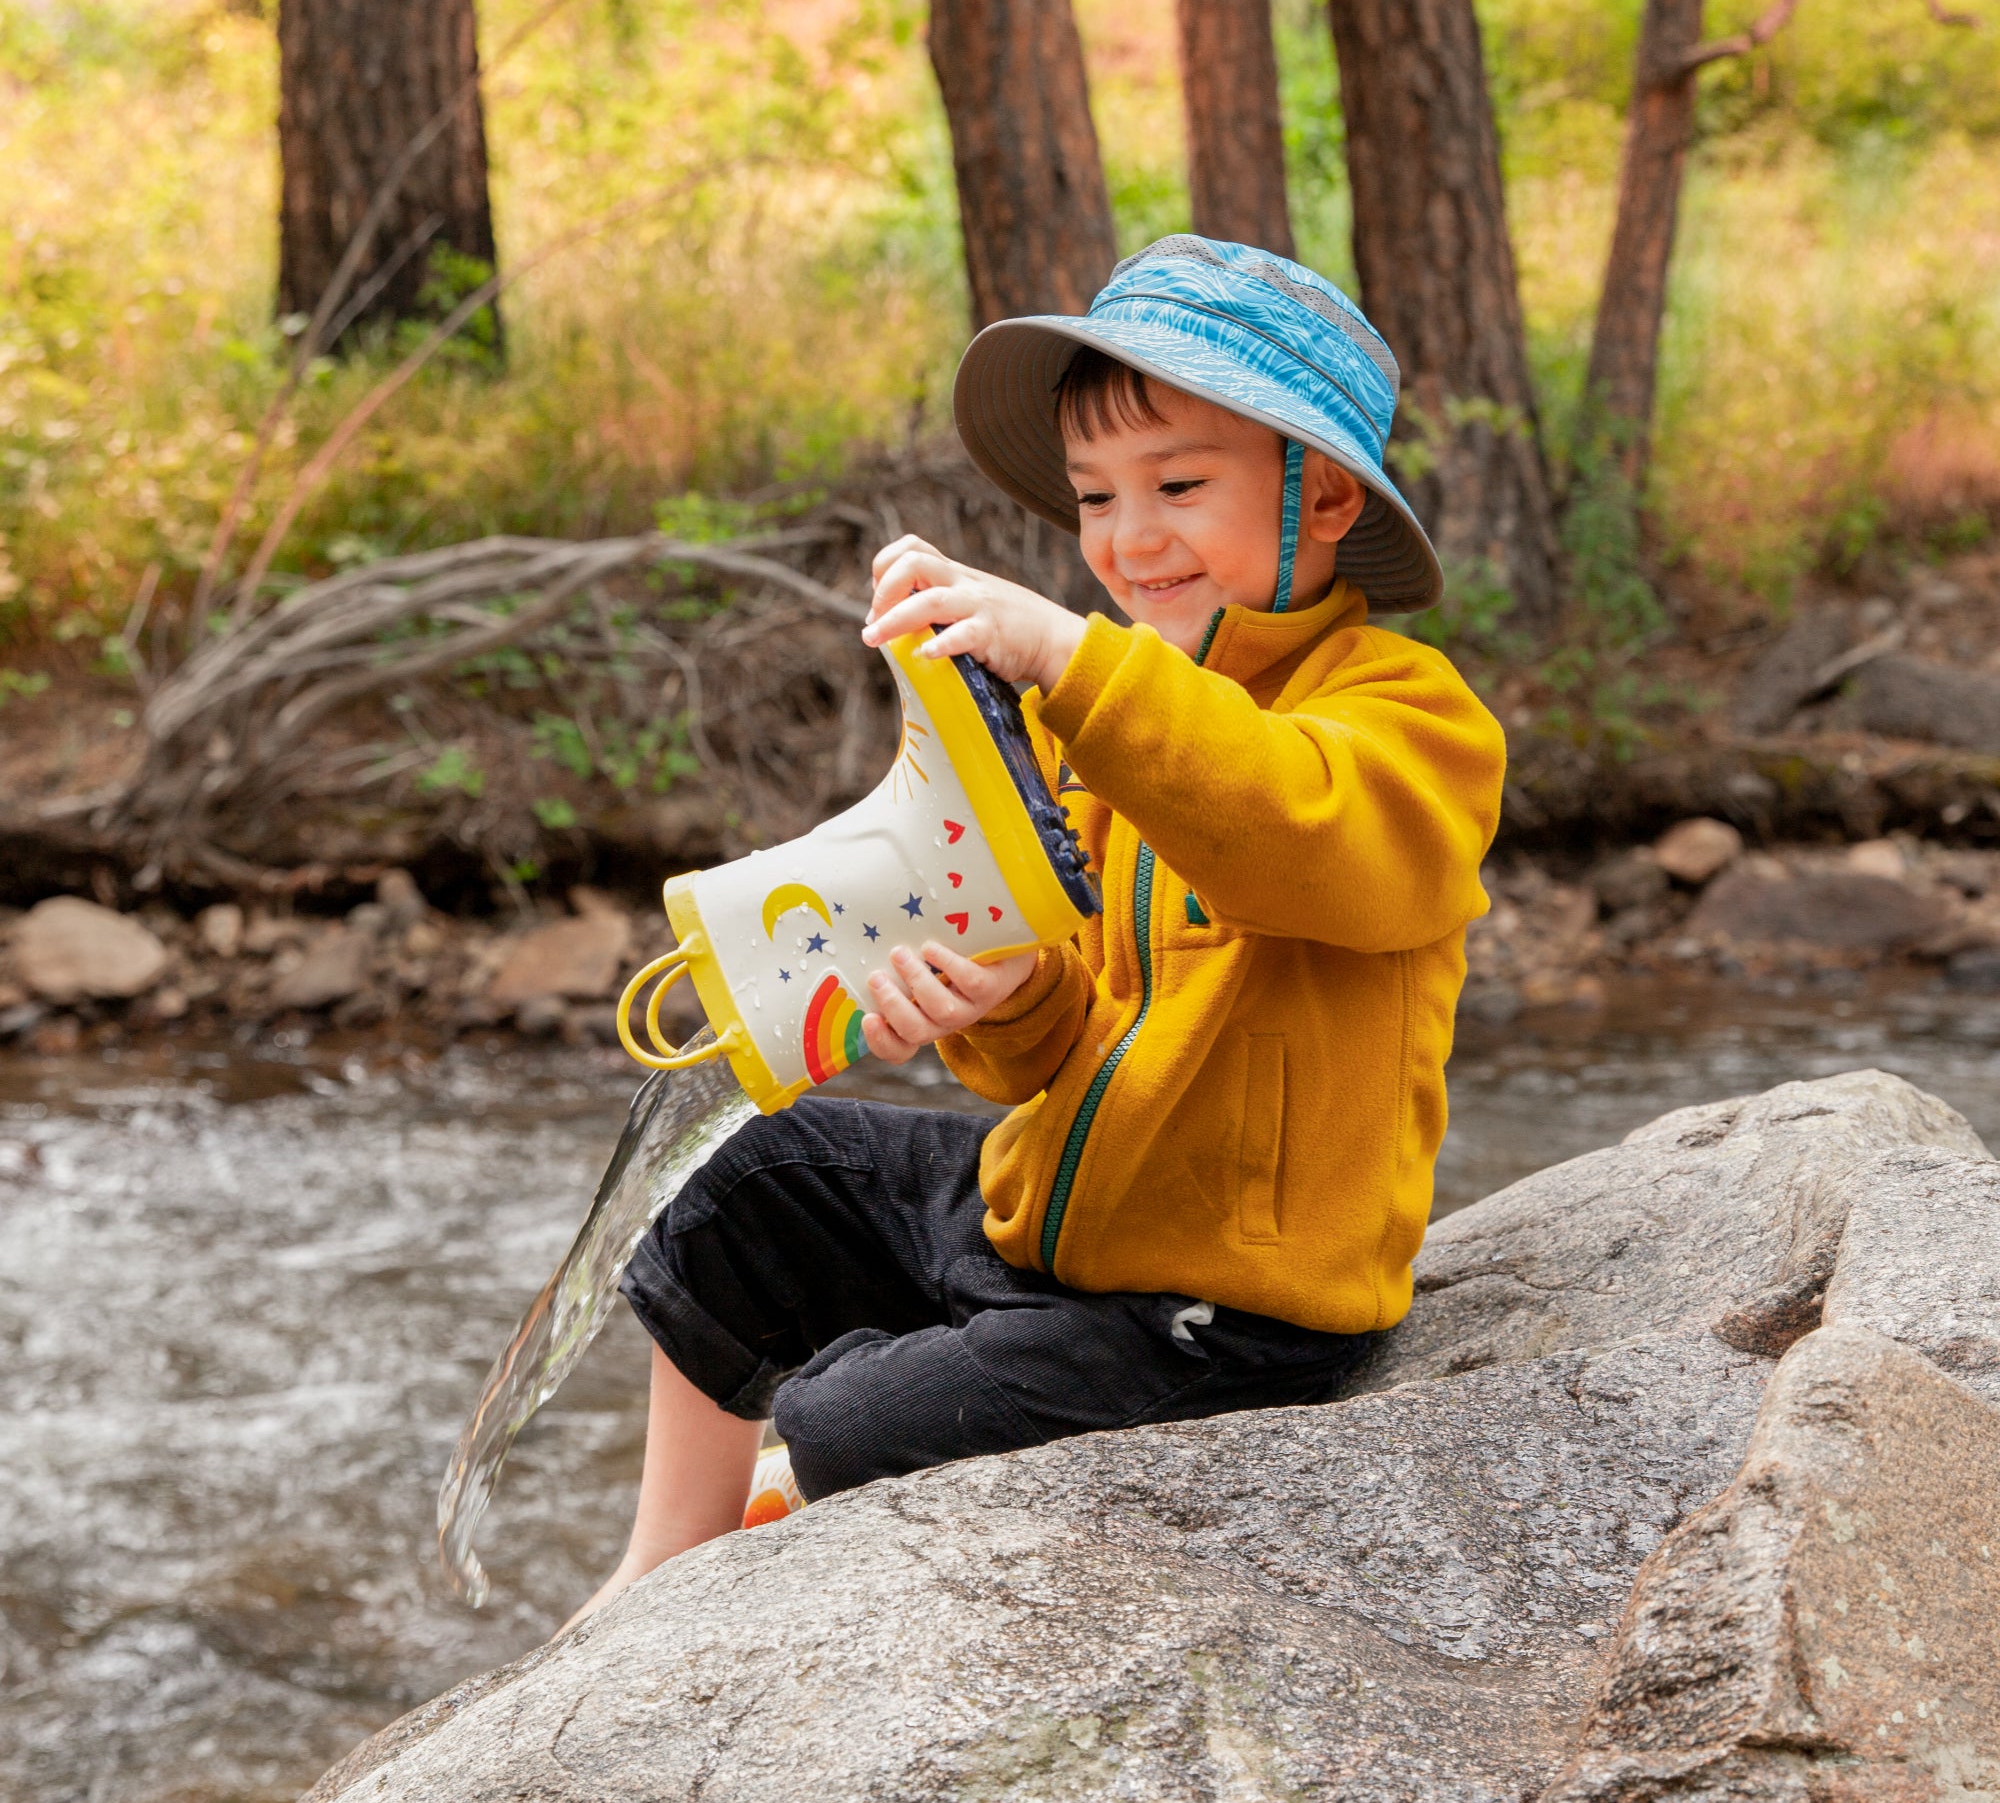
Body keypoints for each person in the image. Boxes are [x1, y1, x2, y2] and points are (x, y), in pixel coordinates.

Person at [566, 235, 1506, 1629]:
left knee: (843, 1418)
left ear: (1324, 505)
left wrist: (1072, 656)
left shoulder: (1406, 717)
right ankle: (663, 1563)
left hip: (1230, 1319)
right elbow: (1043, 1057)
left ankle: (806, 1479)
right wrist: (995, 994)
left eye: (1181, 486)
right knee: (753, 1183)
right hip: (1058, 1223)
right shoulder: (1109, 721)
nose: (1130, 538)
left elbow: (1299, 832)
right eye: (1095, 498)